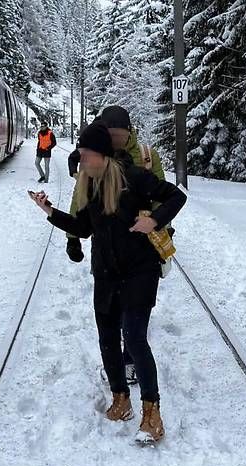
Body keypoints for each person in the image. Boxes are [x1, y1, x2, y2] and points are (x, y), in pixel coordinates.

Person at [27, 123, 186, 444]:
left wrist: (154, 220)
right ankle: (120, 398)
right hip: (106, 273)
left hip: (140, 270)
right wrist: (49, 210)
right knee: (108, 338)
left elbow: (175, 196)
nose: (80, 160)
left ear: (101, 154)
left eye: (85, 154)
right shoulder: (90, 185)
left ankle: (152, 414)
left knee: (135, 338)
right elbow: (83, 227)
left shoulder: (133, 178)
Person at [66, 106, 169, 386]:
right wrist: (73, 238)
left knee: (134, 317)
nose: (113, 140)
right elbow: (82, 198)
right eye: (109, 135)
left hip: (141, 245)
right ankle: (122, 365)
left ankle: (131, 360)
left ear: (129, 133)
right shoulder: (97, 156)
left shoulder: (145, 156)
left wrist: (159, 223)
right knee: (113, 311)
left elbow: (162, 192)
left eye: (119, 135)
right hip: (107, 247)